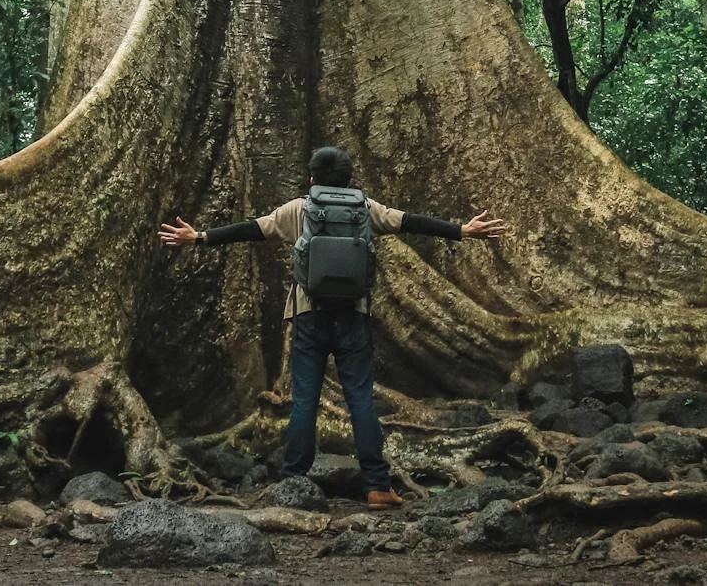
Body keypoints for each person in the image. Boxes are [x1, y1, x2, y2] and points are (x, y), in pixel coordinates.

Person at [159, 145, 507, 508]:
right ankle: (377, 485)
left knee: (305, 400)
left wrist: (199, 237)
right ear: (349, 178)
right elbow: (411, 221)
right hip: (353, 317)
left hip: (309, 316)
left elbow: (252, 229)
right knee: (360, 399)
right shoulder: (365, 208)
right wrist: (462, 230)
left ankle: (294, 482)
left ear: (312, 178)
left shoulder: (298, 209)